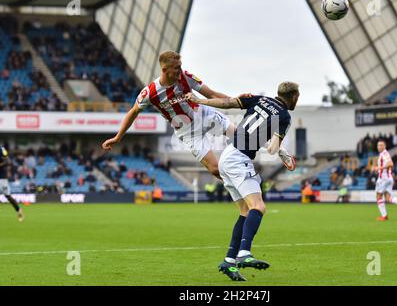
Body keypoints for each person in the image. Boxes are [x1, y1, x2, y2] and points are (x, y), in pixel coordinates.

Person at [187, 81, 298, 281]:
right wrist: (280, 151)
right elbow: (272, 149)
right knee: (258, 207)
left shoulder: (258, 99)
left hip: (227, 155)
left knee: (245, 212)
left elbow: (227, 102)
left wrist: (199, 100)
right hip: (240, 159)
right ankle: (244, 253)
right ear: (294, 96)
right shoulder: (284, 116)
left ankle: (229, 261)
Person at [102, 51, 244, 179]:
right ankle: (243, 188)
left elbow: (212, 94)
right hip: (188, 132)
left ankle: (265, 146)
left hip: (204, 115)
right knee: (215, 170)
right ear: (165, 70)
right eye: (177, 68)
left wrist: (239, 101)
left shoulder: (185, 77)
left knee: (242, 137)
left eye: (180, 66)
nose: (180, 70)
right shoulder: (150, 92)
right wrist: (118, 137)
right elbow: (133, 112)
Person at [372, 140, 397, 221]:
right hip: (388, 178)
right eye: (378, 145)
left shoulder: (385, 154)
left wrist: (379, 168)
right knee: (388, 198)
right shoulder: (383, 154)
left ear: (385, 146)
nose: (379, 147)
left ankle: (384, 216)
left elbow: (390, 164)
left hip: (383, 179)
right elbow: (388, 165)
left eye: (381, 145)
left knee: (378, 196)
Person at [0, 147, 24, 222]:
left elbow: (7, 160)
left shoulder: (1, 149)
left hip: (1, 177)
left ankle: (18, 210)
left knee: (7, 196)